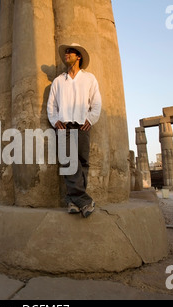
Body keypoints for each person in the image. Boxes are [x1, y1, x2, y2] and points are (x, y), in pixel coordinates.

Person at [47, 43, 102, 218]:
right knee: (69, 163)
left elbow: (96, 103)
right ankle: (85, 201)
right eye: (66, 52)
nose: (66, 54)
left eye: (70, 52)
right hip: (64, 127)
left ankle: (73, 201)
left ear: (78, 56)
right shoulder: (58, 81)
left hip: (83, 125)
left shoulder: (89, 78)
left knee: (83, 162)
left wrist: (91, 119)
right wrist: (55, 121)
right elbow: (51, 105)